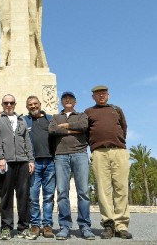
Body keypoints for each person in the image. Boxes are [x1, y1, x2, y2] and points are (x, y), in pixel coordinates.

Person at [85, 85, 132, 239]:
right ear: (93, 97)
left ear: (108, 95)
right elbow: (85, 132)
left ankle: (121, 225)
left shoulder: (116, 110)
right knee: (103, 190)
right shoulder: (89, 112)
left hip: (119, 151)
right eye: (98, 94)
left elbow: (123, 127)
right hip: (99, 153)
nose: (101, 96)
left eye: (104, 94)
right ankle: (109, 224)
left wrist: (117, 141)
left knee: (121, 188)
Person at [48, 91, 95, 240]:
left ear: (75, 102)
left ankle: (85, 226)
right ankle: (64, 226)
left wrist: (67, 127)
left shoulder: (81, 115)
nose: (68, 101)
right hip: (61, 156)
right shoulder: (55, 117)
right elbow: (52, 129)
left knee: (83, 192)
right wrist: (73, 130)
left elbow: (83, 126)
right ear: (61, 102)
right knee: (62, 192)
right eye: (65, 99)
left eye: (70, 99)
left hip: (80, 154)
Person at [0, 94, 35, 240]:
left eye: (11, 103)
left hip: (23, 161)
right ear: (2, 104)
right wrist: (0, 157)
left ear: (15, 104)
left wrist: (31, 160)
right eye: (6, 103)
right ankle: (6, 228)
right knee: (6, 196)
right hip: (6, 162)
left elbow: (27, 141)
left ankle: (23, 228)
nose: (8, 105)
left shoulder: (21, 120)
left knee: (24, 196)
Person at [23, 96, 55, 240]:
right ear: (27, 106)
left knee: (49, 196)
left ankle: (47, 225)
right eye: (30, 104)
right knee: (33, 196)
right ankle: (35, 225)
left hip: (50, 162)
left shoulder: (51, 119)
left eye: (35, 104)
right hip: (33, 163)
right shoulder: (24, 120)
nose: (33, 106)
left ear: (40, 104)